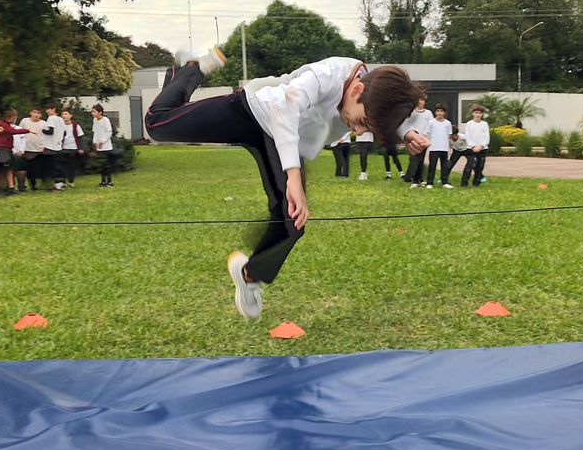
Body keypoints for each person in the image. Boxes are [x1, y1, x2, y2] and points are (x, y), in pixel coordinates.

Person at [144, 48, 426, 319]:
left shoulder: (374, 92)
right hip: (252, 110)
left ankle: (249, 276)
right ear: (356, 90)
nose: (358, 130)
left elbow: (384, 110)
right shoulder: (328, 74)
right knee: (158, 125)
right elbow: (285, 109)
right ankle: (191, 70)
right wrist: (293, 177)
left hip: (285, 140)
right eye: (362, 121)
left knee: (292, 221)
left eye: (367, 128)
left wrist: (406, 132)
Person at [0, 108, 37, 194]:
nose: (14, 120)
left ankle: (11, 188)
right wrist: (28, 130)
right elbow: (12, 131)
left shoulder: (7, 124)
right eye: (13, 118)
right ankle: (0, 188)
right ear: (9, 117)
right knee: (3, 169)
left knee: (9, 168)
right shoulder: (2, 124)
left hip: (7, 149)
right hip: (2, 149)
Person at [403, 94, 433, 188]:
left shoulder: (428, 113)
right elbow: (407, 124)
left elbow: (430, 125)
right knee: (414, 158)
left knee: (421, 159)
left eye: (422, 100)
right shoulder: (412, 113)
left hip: (424, 140)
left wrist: (425, 136)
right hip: (413, 138)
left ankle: (419, 178)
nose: (421, 102)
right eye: (419, 100)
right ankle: (413, 178)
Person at [424, 103, 453, 189]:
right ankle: (430, 183)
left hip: (444, 148)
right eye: (438, 111)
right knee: (432, 166)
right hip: (434, 148)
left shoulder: (448, 123)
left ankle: (445, 182)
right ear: (435, 112)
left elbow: (449, 135)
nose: (439, 113)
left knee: (444, 166)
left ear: (444, 112)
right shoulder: (431, 122)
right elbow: (428, 134)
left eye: (441, 111)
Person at [18, 108, 46, 191]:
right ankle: (28, 185)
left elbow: (46, 136)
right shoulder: (24, 121)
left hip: (38, 149)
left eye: (38, 113)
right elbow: (19, 133)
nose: (36, 114)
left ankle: (37, 186)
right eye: (34, 112)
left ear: (41, 115)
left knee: (37, 169)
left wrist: (44, 146)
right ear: (30, 113)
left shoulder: (44, 123)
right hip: (26, 148)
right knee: (27, 169)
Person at [462, 104, 490, 187]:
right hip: (471, 149)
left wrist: (481, 146)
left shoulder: (484, 124)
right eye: (476, 112)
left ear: (482, 114)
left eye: (480, 113)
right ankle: (464, 182)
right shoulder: (469, 124)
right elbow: (468, 137)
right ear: (473, 113)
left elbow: (487, 137)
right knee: (470, 166)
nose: (478, 115)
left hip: (482, 149)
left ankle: (476, 183)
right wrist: (473, 146)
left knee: (479, 166)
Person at [91, 104, 117, 187]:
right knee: (101, 165)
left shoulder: (105, 120)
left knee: (107, 165)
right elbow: (95, 132)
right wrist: (95, 142)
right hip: (98, 147)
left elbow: (109, 132)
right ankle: (103, 182)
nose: (92, 113)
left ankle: (109, 182)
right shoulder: (95, 120)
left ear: (100, 112)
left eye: (94, 111)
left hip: (107, 147)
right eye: (92, 111)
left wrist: (102, 141)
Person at [43, 104, 66, 192]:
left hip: (50, 146)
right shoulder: (61, 119)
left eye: (48, 109)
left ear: (54, 109)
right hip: (58, 146)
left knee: (52, 168)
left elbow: (50, 131)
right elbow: (64, 133)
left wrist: (42, 130)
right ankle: (61, 185)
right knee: (59, 167)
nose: (47, 111)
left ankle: (56, 187)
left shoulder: (51, 118)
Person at [60, 108, 85, 188]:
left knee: (72, 166)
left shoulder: (76, 126)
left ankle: (71, 181)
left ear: (70, 115)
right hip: (63, 148)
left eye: (66, 114)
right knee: (62, 166)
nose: (64, 116)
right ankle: (63, 181)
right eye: (62, 114)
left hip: (73, 148)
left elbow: (80, 137)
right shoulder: (60, 126)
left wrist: (80, 148)